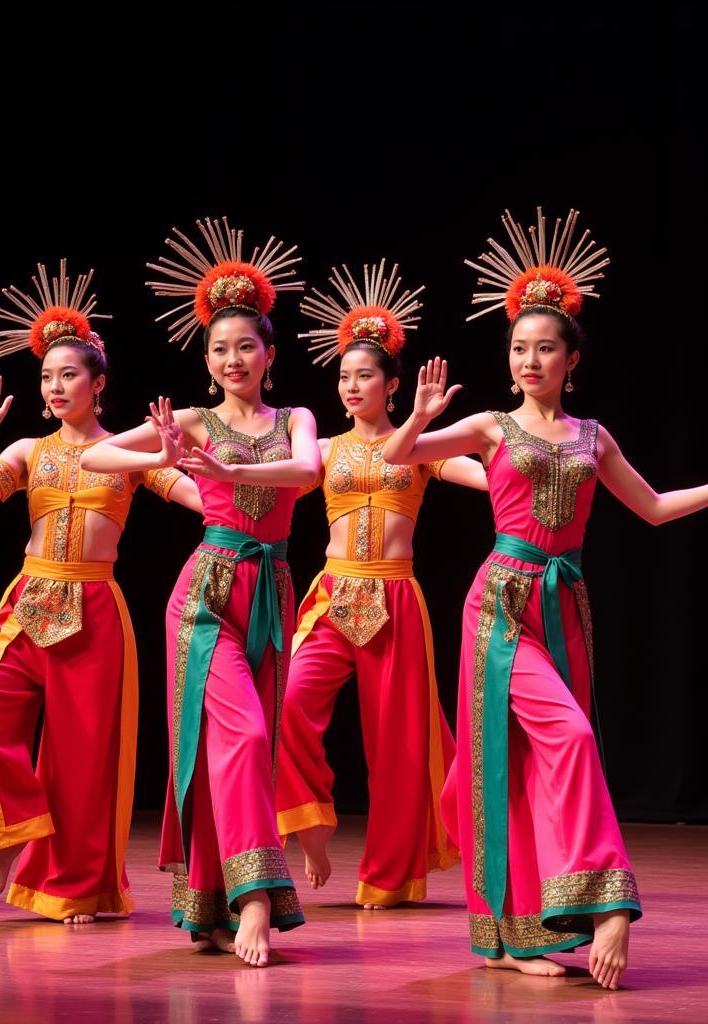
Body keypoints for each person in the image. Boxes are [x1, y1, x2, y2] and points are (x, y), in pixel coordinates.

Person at [382, 209, 708, 989]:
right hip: (499, 602)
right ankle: (606, 904)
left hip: (565, 608)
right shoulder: (491, 427)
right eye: (519, 348)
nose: (530, 359)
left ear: (571, 360)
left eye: (544, 349)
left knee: (529, 762)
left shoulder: (593, 437)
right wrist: (421, 418)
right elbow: (400, 457)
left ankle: (513, 938)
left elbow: (656, 508)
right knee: (561, 743)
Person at [81, 218, 319, 967]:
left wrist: (232, 474)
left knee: (242, 748)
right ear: (207, 361)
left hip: (271, 591)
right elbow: (93, 454)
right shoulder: (191, 420)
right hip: (207, 594)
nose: (233, 359)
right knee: (238, 736)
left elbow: (307, 473)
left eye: (246, 345)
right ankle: (252, 900)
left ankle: (211, 906)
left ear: (269, 356)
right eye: (219, 349)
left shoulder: (295, 419)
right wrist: (170, 456)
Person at [0, 261, 201, 923]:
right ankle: (13, 830)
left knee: (86, 764)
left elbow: (200, 501)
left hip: (94, 606)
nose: (55, 387)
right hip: (27, 600)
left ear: (98, 383)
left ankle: (80, 887)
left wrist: (197, 462)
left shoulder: (126, 454)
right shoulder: (28, 450)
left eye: (69, 375)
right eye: (47, 376)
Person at [277, 261, 488, 907]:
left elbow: (491, 481)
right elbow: (272, 483)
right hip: (335, 593)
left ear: (393, 384)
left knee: (401, 745)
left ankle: (392, 875)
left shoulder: (417, 449)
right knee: (288, 704)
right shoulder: (326, 451)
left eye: (363, 375)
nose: (350, 386)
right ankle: (310, 825)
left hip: (397, 596)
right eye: (343, 376)